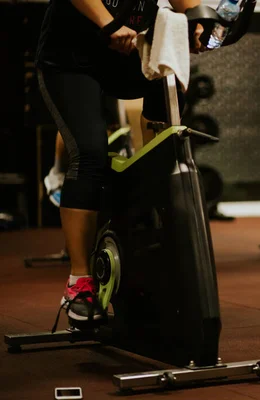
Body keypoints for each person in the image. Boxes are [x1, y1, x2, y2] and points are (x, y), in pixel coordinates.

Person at [36, 0, 205, 323]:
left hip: (122, 54)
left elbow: (186, 3)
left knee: (167, 89)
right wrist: (108, 23)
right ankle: (79, 282)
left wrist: (197, 21)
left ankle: (157, 229)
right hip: (70, 59)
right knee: (90, 153)